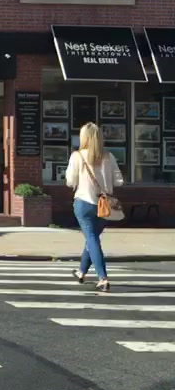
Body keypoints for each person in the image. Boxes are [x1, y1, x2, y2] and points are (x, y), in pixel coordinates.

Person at [64, 122, 123, 292]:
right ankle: (81, 272)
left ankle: (102, 278)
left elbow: (70, 182)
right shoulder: (109, 156)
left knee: (91, 238)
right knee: (92, 238)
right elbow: (119, 181)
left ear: (83, 138)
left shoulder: (77, 156)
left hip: (84, 203)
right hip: (104, 205)